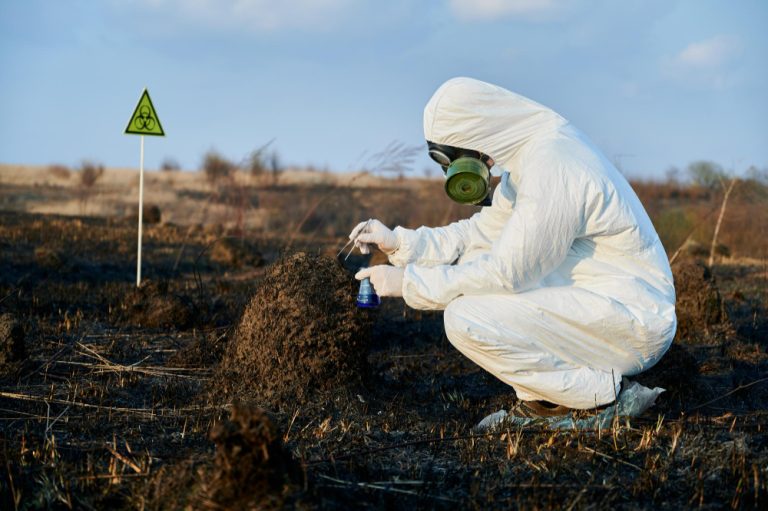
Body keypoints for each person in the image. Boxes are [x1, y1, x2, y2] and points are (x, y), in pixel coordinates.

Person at [350, 77, 676, 416]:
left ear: (477, 131)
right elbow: (477, 235)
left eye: (457, 157)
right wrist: (399, 242)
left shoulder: (554, 166)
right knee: (476, 265)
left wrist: (408, 284)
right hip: (602, 299)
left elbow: (507, 273)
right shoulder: (526, 162)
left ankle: (597, 396)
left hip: (634, 318)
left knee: (465, 317)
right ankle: (552, 396)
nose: (460, 170)